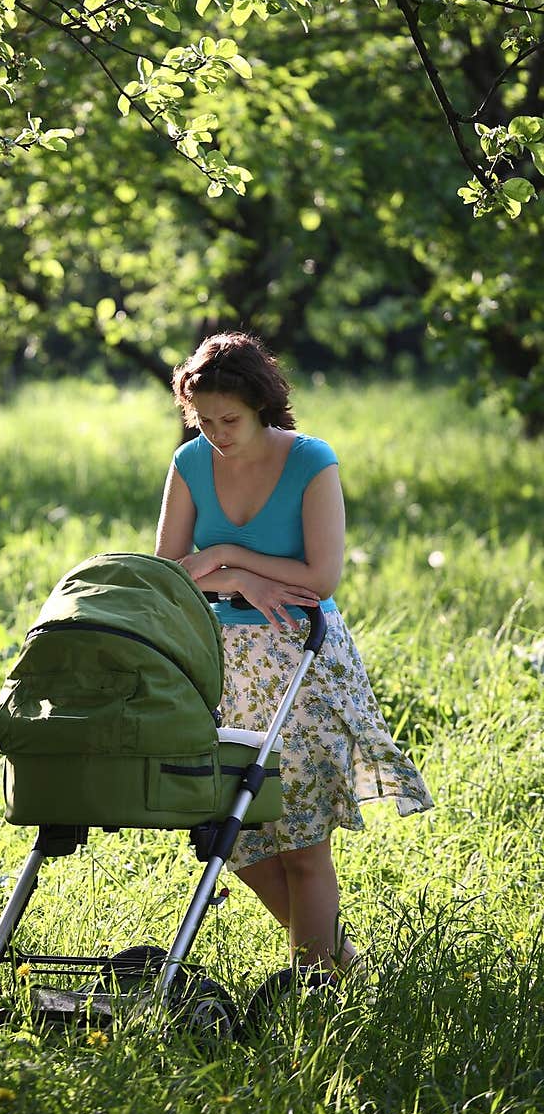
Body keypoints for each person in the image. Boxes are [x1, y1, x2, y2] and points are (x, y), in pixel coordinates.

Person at [155, 330, 433, 978]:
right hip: (220, 664)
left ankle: (315, 997)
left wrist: (225, 556)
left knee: (304, 847)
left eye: (230, 420)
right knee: (236, 839)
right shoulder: (192, 464)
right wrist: (240, 581)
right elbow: (168, 571)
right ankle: (341, 964)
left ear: (260, 405)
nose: (217, 434)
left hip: (301, 660)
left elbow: (320, 577)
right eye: (203, 420)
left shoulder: (311, 460)